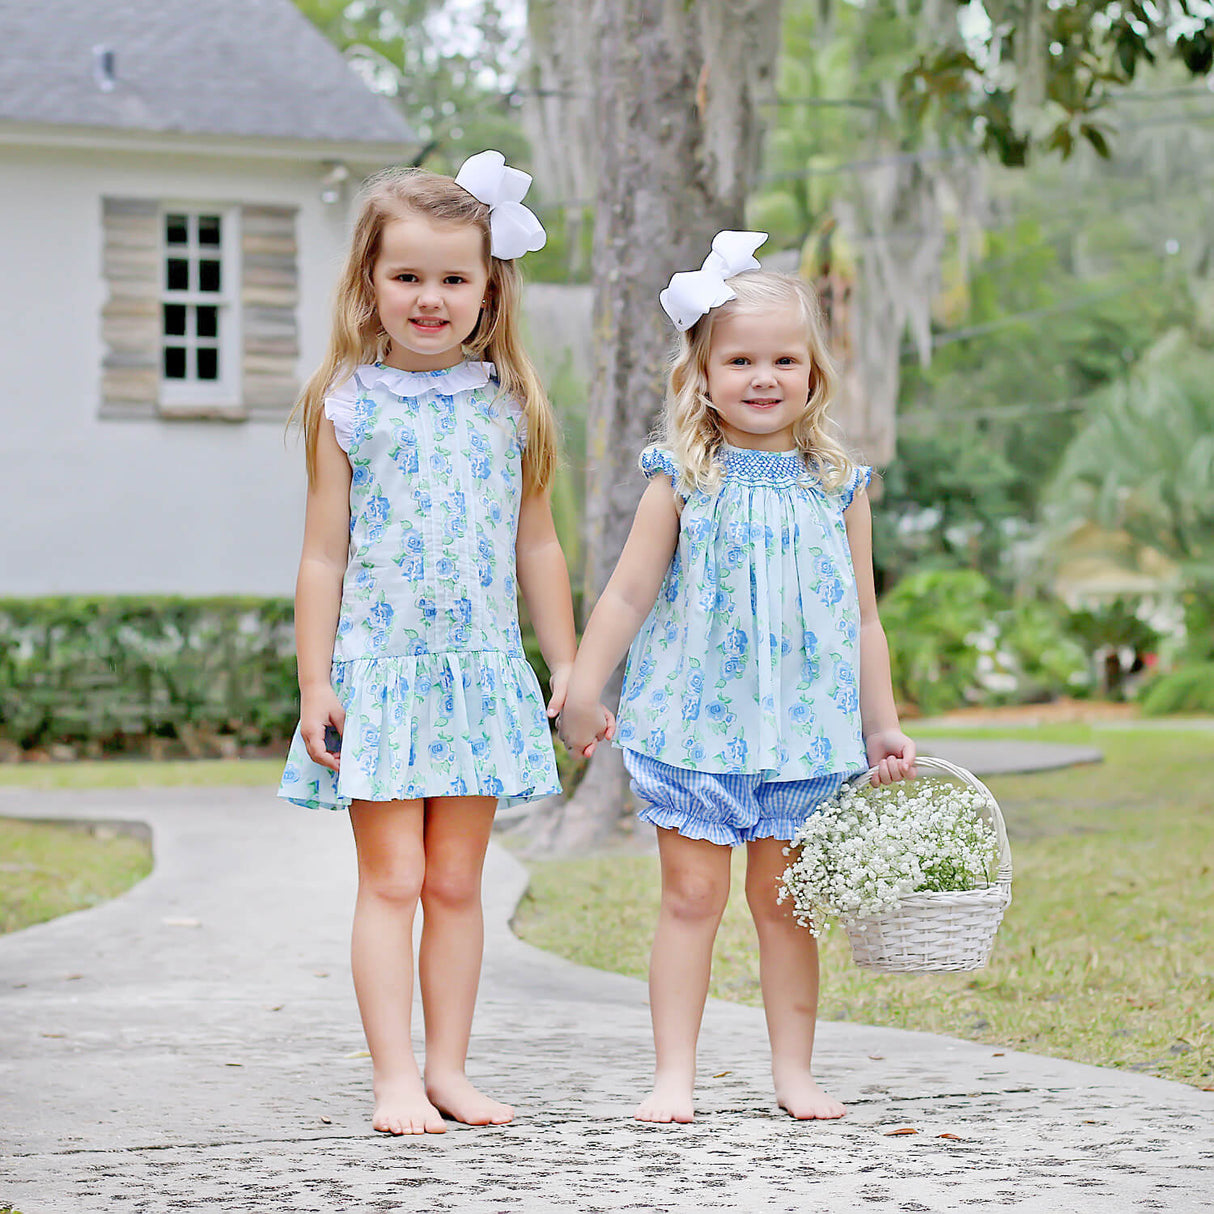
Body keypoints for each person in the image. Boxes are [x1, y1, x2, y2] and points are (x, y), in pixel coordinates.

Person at [559, 231, 916, 1125]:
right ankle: (672, 1075)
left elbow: (865, 617)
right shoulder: (681, 477)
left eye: (784, 360)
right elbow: (627, 594)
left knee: (785, 904)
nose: (764, 377)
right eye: (741, 359)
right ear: (704, 372)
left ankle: (794, 1073)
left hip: (803, 732)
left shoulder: (838, 485)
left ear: (812, 373)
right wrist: (586, 691)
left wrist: (881, 723)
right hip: (697, 725)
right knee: (691, 897)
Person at [278, 151, 588, 1135]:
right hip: (379, 675)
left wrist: (568, 663)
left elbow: (537, 543)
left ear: (489, 287)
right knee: (394, 879)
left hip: (478, 673)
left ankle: (450, 1068)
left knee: (457, 881)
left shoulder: (510, 404)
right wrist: (315, 677)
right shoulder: (346, 404)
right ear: (370, 281)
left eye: (452, 277)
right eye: (406, 275)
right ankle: (394, 1078)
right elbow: (323, 555)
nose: (428, 297)